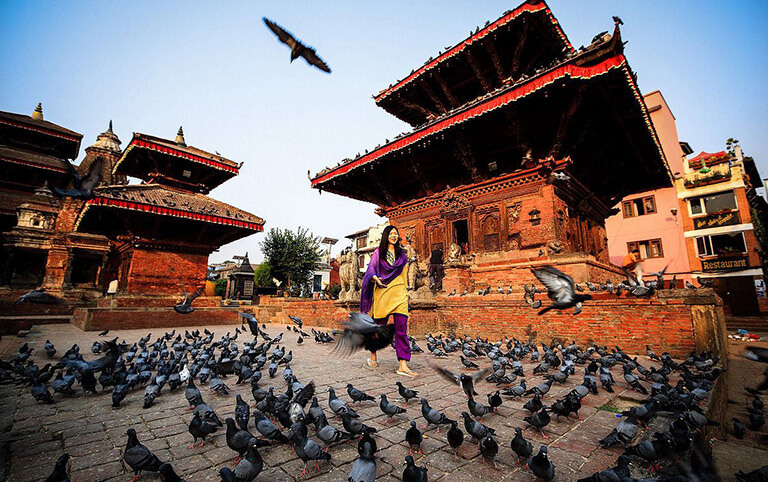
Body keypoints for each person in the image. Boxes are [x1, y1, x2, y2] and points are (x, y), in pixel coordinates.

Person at [360, 225, 417, 377]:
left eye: (396, 234)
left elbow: (404, 275)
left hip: (399, 293)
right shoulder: (379, 253)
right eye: (391, 233)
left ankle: (403, 365)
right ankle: (373, 355)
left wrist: (406, 292)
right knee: (378, 328)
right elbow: (371, 269)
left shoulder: (402, 255)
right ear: (386, 236)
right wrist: (375, 278)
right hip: (382, 291)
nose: (393, 236)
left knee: (401, 329)